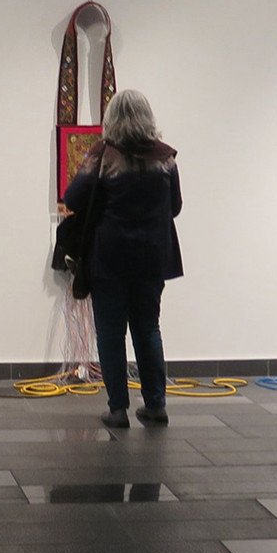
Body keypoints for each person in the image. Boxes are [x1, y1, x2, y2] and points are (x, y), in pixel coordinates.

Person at [63, 88, 182, 430]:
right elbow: (174, 207)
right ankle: (156, 405)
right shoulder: (165, 158)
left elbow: (73, 198)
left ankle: (118, 409)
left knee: (111, 333)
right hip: (152, 258)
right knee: (148, 329)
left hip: (110, 258)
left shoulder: (104, 154)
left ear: (112, 119)